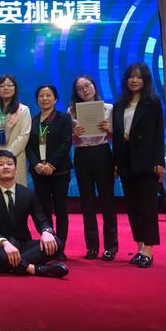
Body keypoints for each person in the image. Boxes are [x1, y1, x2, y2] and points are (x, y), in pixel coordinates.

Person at [0, 150, 68, 277]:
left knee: (56, 243)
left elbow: (41, 219)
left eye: (9, 164)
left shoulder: (28, 193)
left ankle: (0, 266)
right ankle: (34, 269)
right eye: (1, 164)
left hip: (23, 244)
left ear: (16, 169)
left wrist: (46, 231)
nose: (5, 167)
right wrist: (4, 242)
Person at [112, 62, 164, 268]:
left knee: (148, 207)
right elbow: (118, 137)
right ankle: (140, 247)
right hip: (125, 162)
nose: (134, 80)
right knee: (133, 207)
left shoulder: (152, 102)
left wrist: (158, 161)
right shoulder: (119, 105)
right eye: (131, 77)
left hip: (146, 162)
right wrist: (116, 163)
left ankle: (149, 251)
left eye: (139, 77)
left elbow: (159, 133)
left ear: (145, 80)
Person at [68, 75, 118, 261]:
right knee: (87, 202)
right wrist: (74, 135)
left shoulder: (108, 108)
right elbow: (69, 140)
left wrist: (108, 130)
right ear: (76, 92)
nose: (85, 90)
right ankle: (92, 247)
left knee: (107, 201)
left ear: (94, 86)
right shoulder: (71, 111)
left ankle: (111, 247)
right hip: (82, 155)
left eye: (87, 85)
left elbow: (115, 137)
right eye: (80, 88)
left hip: (102, 152)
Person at [25, 84, 72, 260]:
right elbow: (28, 146)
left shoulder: (64, 118)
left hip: (59, 171)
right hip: (39, 172)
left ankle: (60, 247)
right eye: (41, 96)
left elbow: (66, 142)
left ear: (55, 99)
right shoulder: (33, 120)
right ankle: (48, 245)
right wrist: (36, 164)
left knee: (60, 210)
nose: (45, 99)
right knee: (44, 211)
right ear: (37, 100)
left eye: (48, 95)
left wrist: (52, 164)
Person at [0, 75, 31, 186]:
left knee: (16, 193)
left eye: (9, 85)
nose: (6, 88)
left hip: (14, 160)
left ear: (15, 88)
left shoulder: (23, 110)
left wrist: (7, 158)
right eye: (2, 86)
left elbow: (24, 136)